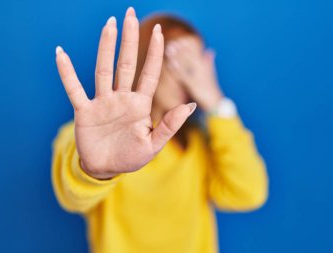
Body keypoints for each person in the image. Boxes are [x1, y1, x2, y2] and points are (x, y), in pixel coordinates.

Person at [52, 7, 268, 253]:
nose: (191, 78)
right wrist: (95, 171)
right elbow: (72, 197)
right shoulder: (88, 136)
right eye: (179, 62)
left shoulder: (201, 143)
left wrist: (218, 105)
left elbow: (249, 193)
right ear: (147, 60)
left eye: (195, 65)